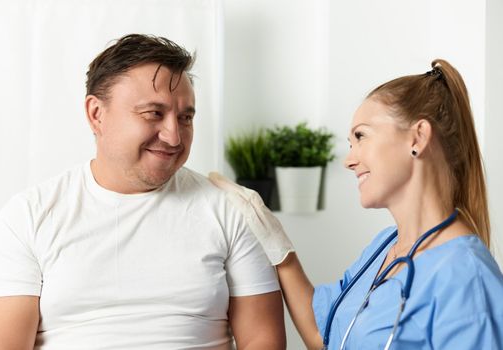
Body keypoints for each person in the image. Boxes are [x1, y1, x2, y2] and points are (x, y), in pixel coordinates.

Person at [0, 34, 285, 350]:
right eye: (154, 113)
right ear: (97, 114)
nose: (174, 136)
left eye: (185, 117)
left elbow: (262, 340)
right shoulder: (28, 216)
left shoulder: (229, 209)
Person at [210, 59, 503, 349]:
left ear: (418, 137)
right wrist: (279, 247)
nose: (349, 160)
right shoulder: (384, 248)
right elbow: (323, 335)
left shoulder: (466, 276)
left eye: (361, 136)